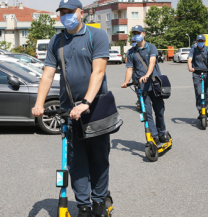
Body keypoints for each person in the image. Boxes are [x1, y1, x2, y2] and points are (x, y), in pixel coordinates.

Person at [31, 0, 111, 216]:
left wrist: (86, 103)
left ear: (81, 13)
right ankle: (84, 204)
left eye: (69, 12)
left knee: (99, 158)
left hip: (96, 109)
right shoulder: (56, 41)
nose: (65, 16)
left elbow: (98, 72)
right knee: (76, 161)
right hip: (69, 111)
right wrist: (39, 103)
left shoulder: (97, 36)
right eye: (62, 12)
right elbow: (47, 74)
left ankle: (99, 202)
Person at [121, 25, 171, 146]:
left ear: (144, 34)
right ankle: (154, 136)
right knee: (146, 113)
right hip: (141, 87)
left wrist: (147, 75)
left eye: (138, 33)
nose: (136, 35)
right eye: (134, 33)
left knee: (159, 110)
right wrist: (126, 81)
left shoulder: (151, 47)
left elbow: (152, 62)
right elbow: (129, 69)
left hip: (154, 84)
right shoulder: (131, 52)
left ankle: (162, 132)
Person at [187, 34, 208, 119]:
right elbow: (189, 59)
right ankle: (200, 110)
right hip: (197, 73)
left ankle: (205, 109)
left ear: (204, 42)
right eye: (199, 41)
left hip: (207, 73)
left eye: (202, 41)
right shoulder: (193, 50)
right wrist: (190, 67)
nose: (200, 43)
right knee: (199, 92)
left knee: (207, 93)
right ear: (196, 42)